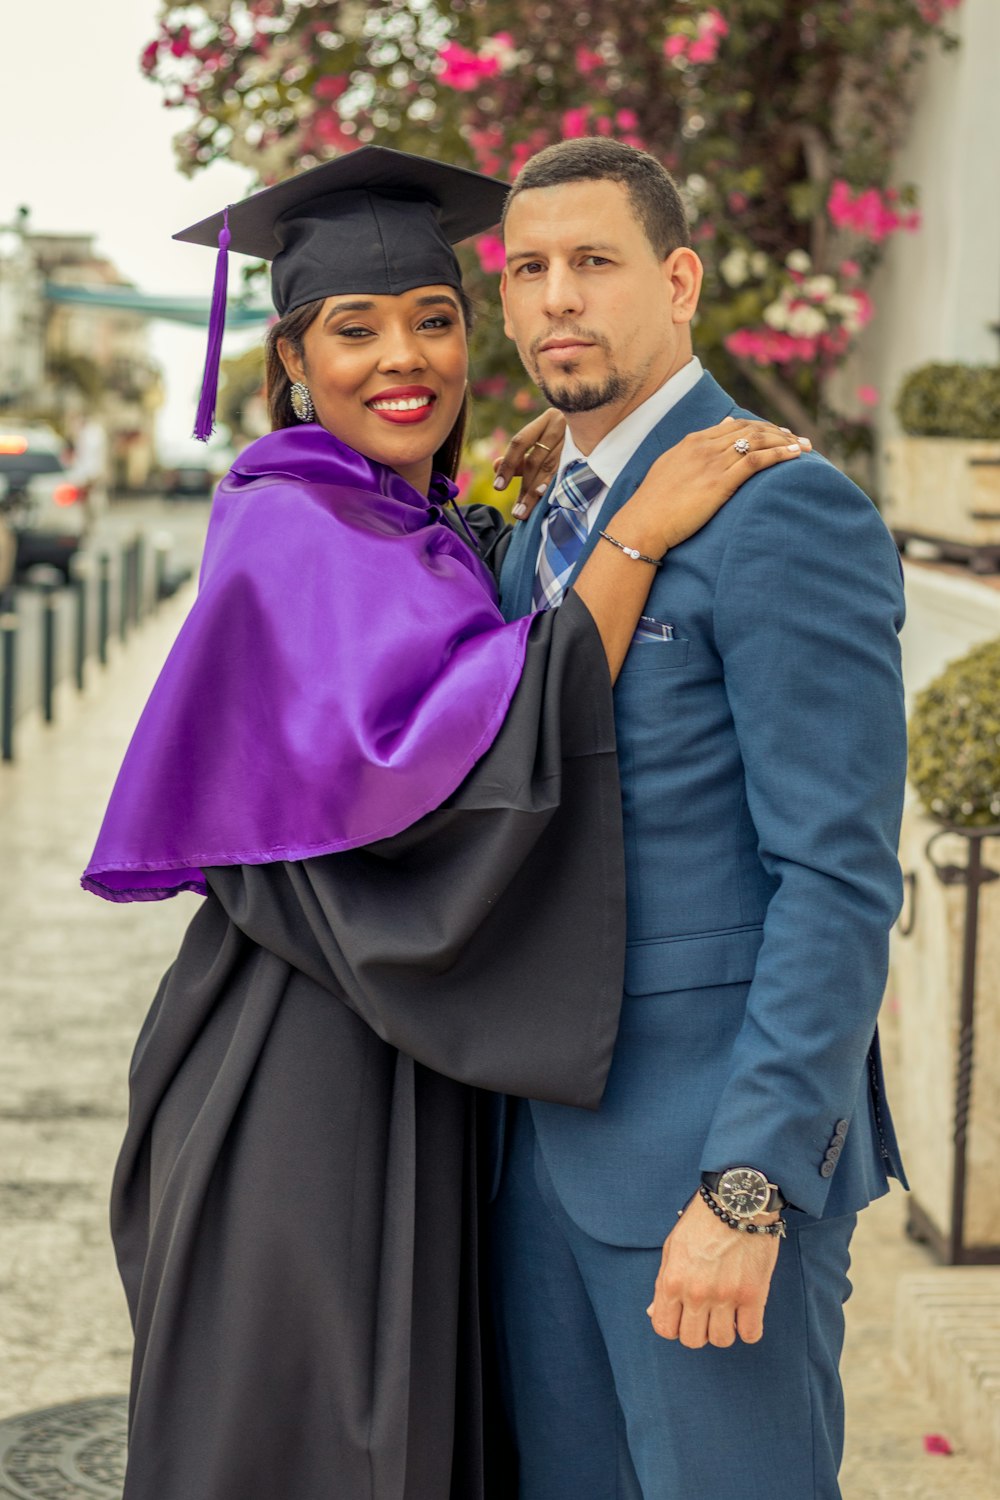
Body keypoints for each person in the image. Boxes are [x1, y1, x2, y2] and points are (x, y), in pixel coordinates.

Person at [81, 146, 804, 1500]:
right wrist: (634, 537)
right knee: (326, 1442)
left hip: (390, 1047)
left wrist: (515, 516)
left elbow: (443, 650)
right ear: (292, 362)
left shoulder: (388, 509)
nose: (400, 357)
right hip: (298, 1070)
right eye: (352, 331)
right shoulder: (289, 520)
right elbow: (463, 765)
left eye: (432, 319)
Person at [490, 137, 908, 1500]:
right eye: (530, 268)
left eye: (593, 263)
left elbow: (839, 882)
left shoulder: (788, 514)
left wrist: (751, 1185)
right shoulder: (530, 528)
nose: (559, 298)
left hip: (703, 1176)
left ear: (678, 281)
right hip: (526, 1173)